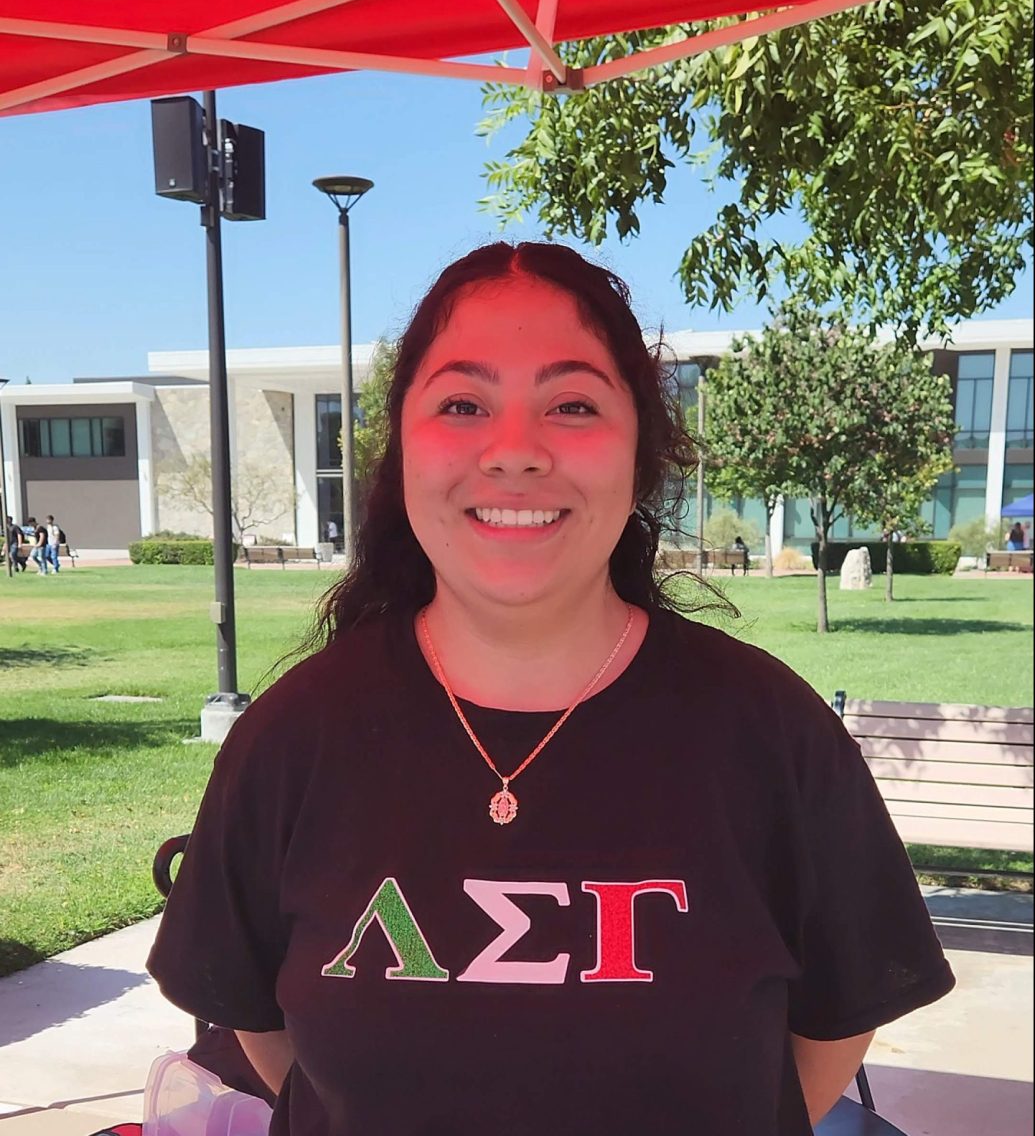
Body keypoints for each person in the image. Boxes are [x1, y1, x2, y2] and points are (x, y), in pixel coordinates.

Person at [148, 242, 954, 1136]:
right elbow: (265, 1031)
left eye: (571, 404)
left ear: (640, 448)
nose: (515, 452)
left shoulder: (769, 734)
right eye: (463, 403)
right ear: (400, 447)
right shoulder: (295, 736)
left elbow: (829, 1037)